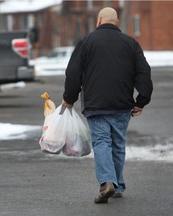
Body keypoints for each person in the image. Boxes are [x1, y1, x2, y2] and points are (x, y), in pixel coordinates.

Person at [61, 7, 153, 204]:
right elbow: (143, 72)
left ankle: (106, 183)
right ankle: (117, 185)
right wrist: (142, 100)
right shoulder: (131, 43)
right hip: (122, 105)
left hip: (96, 105)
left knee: (102, 142)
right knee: (118, 144)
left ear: (99, 21)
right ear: (117, 23)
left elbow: (73, 72)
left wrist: (69, 98)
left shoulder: (87, 42)